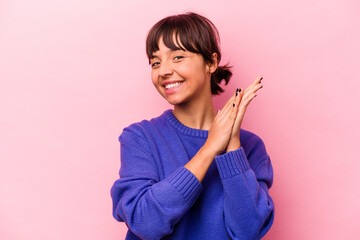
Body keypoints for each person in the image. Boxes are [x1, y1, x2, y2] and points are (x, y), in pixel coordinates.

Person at [111, 12, 274, 240]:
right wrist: (209, 149)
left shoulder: (250, 146)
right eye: (155, 62)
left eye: (177, 57)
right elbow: (145, 223)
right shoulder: (140, 138)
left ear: (212, 62)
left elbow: (248, 231)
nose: (164, 70)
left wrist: (232, 145)